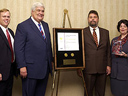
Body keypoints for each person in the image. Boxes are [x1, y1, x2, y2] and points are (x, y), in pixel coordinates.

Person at [14, 2, 53, 96]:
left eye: (43, 11)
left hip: (44, 69)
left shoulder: (45, 25)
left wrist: (51, 61)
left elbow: (48, 45)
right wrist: (22, 66)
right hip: (30, 70)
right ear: (32, 12)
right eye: (38, 10)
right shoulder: (23, 26)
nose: (41, 13)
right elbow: (18, 48)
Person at [78, 10, 111, 96]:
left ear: (98, 19)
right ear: (88, 19)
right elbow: (80, 51)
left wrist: (108, 65)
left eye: (94, 17)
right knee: (88, 92)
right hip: (88, 68)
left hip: (102, 68)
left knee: (101, 93)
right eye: (90, 17)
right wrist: (79, 67)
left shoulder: (105, 32)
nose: (93, 19)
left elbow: (108, 50)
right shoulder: (82, 32)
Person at [0, 8, 17, 96]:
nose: (6, 18)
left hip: (10, 70)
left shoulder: (10, 32)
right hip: (1, 72)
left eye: (8, 16)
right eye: (4, 16)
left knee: (8, 93)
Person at [110, 19, 128, 96]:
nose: (122, 28)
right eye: (121, 26)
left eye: (125, 26)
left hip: (125, 72)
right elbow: (110, 55)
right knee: (115, 92)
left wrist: (126, 55)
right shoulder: (114, 40)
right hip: (114, 72)